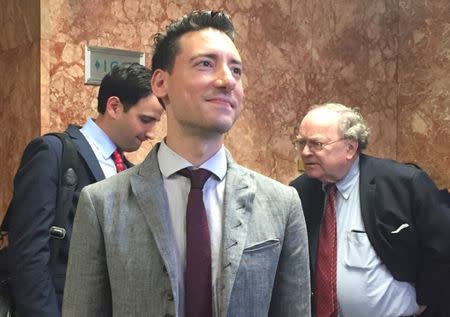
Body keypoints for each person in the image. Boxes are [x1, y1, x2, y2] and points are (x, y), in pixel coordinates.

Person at [62, 10, 311, 317]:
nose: (226, 81)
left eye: (236, 70)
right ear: (161, 83)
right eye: (206, 64)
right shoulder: (102, 204)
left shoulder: (281, 205)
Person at [5, 62, 164, 317]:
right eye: (145, 120)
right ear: (114, 107)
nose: (151, 133)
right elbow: (28, 255)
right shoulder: (53, 153)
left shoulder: (131, 171)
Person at [289, 102, 450, 317]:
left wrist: (426, 301)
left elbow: (441, 248)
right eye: (301, 143)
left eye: (316, 144)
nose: (306, 152)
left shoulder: (403, 184)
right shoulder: (300, 192)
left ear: (350, 147)